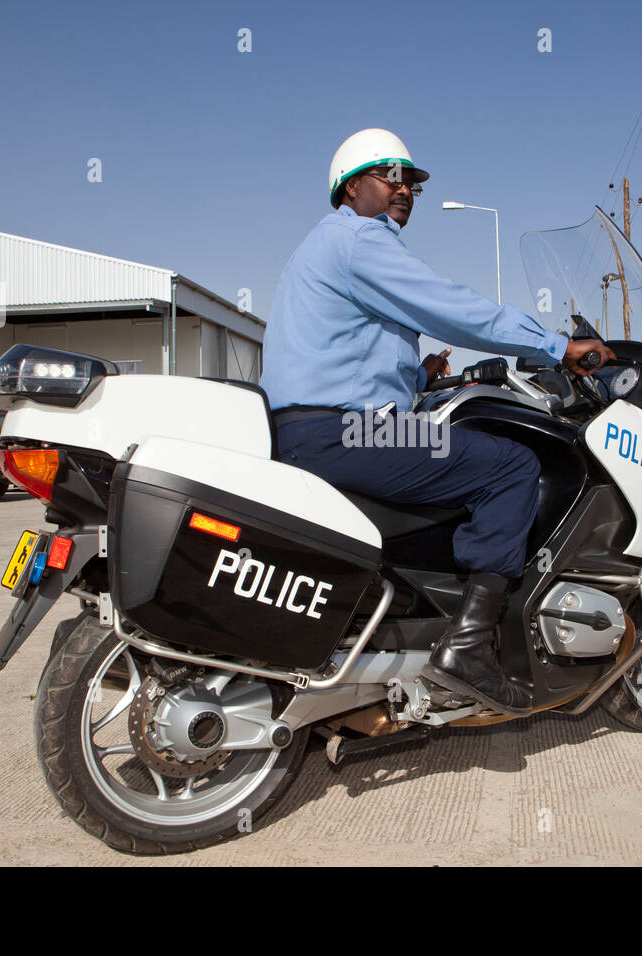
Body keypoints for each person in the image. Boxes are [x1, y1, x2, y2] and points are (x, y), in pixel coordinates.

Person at [259, 129, 615, 716]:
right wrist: (556, 346)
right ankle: (470, 649)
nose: (405, 189)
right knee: (510, 466)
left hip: (322, 426)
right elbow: (449, 305)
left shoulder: (326, 248)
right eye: (390, 176)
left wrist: (421, 377)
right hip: (346, 431)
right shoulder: (360, 241)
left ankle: (428, 625)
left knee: (456, 466)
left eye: (413, 181)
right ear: (351, 187)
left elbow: (343, 361)